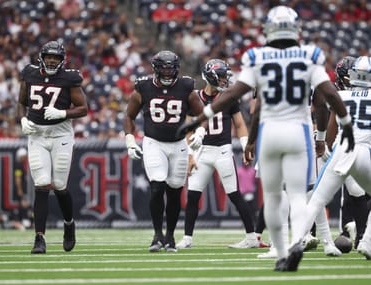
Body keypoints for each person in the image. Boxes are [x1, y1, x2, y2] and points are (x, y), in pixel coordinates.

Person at [177, 5, 354, 271]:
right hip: (299, 130)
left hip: (271, 130)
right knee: (298, 194)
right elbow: (328, 94)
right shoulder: (309, 55)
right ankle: (297, 243)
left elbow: (235, 95)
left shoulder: (257, 57)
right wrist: (346, 124)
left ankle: (279, 250)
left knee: (272, 196)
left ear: (269, 29)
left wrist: (204, 117)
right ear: (295, 28)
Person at [124, 50, 204, 252]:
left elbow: (203, 113)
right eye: (164, 69)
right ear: (156, 69)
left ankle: (170, 236)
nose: (167, 73)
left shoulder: (186, 87)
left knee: (175, 191)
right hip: (154, 143)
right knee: (157, 186)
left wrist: (200, 130)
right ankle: (157, 235)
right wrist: (130, 139)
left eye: (171, 69)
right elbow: (129, 115)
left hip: (178, 145)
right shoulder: (144, 87)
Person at [175, 59, 260, 249]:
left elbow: (239, 124)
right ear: (211, 76)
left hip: (223, 151)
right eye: (221, 76)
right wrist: (190, 154)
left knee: (235, 195)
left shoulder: (229, 98)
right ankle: (187, 238)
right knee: (193, 195)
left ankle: (251, 237)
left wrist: (246, 145)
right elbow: (189, 128)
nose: (224, 80)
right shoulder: (195, 97)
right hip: (202, 152)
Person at [17, 40, 88, 254]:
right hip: (37, 135)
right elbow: (21, 102)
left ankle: (69, 224)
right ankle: (39, 238)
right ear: (41, 57)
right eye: (48, 57)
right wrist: (21, 120)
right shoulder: (29, 74)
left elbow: (84, 108)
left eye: (55, 58)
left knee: (59, 185)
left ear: (62, 60)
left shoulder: (69, 78)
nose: (51, 60)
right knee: (41, 184)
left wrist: (63, 113)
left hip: (61, 135)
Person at [299, 56, 371, 260]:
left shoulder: (341, 96)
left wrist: (324, 143)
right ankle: (367, 242)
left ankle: (295, 243)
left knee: (315, 200)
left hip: (341, 150)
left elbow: (330, 131)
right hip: (364, 151)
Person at [327, 56, 369, 250]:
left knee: (355, 192)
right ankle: (358, 235)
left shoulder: (343, 96)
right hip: (350, 148)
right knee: (353, 191)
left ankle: (358, 234)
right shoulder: (341, 96)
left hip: (352, 147)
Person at [11, 147, 33, 230]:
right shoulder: (18, 165)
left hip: (22, 190)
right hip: (20, 190)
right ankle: (20, 221)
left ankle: (22, 221)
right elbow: (18, 178)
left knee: (23, 205)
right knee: (23, 205)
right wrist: (20, 190)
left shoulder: (21, 165)